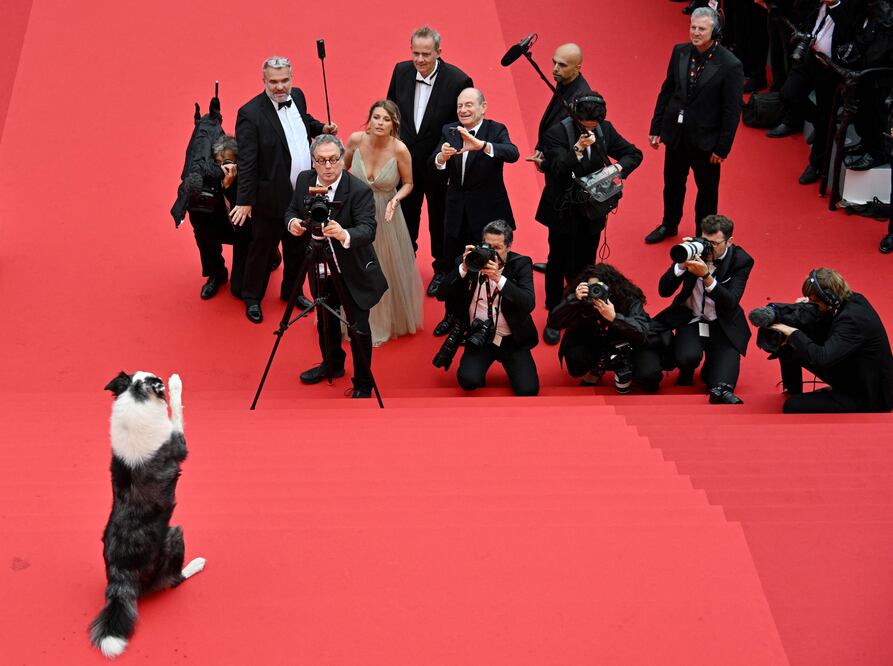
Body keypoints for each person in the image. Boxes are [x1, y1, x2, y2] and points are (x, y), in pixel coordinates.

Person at [231, 56, 337, 324]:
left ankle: (292, 291)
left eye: (284, 81)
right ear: (264, 81)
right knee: (263, 249)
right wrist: (245, 201)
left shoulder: (298, 96)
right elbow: (247, 161)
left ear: (292, 78)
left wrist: (320, 128)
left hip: (303, 194)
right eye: (273, 82)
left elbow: (303, 121)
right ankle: (252, 297)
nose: (280, 87)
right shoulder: (250, 114)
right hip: (269, 198)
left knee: (298, 248)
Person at [285, 135, 388, 399]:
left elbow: (368, 229)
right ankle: (332, 364)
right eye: (321, 160)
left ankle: (364, 381)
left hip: (351, 268)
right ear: (313, 162)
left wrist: (344, 234)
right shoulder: (305, 181)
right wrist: (293, 223)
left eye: (334, 159)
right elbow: (291, 211)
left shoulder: (358, 190)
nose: (328, 166)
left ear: (343, 159)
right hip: (318, 263)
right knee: (325, 320)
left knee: (358, 327)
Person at [536, 91, 643, 345]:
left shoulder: (605, 129)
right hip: (563, 208)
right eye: (585, 126)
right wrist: (577, 150)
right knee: (557, 260)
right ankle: (555, 310)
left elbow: (634, 154)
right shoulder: (556, 133)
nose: (590, 130)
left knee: (586, 261)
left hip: (592, 210)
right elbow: (557, 168)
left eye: (593, 126)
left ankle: (583, 303)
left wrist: (616, 168)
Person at [645, 8, 744, 244]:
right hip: (676, 135)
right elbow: (667, 90)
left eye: (702, 29)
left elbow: (732, 111)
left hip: (706, 142)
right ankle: (669, 224)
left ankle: (705, 237)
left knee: (707, 193)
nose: (696, 33)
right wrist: (656, 126)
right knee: (672, 185)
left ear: (715, 31)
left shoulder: (730, 65)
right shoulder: (679, 51)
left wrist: (722, 148)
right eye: (693, 27)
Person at [386, 26, 473, 296]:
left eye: (426, 54)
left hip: (439, 165)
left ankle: (442, 269)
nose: (420, 60)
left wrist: (439, 157)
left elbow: (462, 123)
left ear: (439, 52)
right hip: (405, 164)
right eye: (415, 53)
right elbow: (391, 110)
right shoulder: (401, 71)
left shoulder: (458, 80)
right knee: (405, 216)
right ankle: (404, 264)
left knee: (440, 221)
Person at [431, 88, 519, 334]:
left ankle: (487, 318)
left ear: (483, 107)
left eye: (469, 105)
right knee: (454, 268)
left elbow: (512, 153)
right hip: (456, 214)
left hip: (487, 216)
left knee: (489, 268)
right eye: (460, 106)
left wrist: (482, 146)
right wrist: (442, 157)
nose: (463, 110)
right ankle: (451, 317)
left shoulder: (495, 129)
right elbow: (433, 162)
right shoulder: (449, 130)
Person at [344, 100, 423, 346]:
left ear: (394, 124)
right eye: (376, 117)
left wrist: (396, 199)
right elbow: (342, 169)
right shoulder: (356, 140)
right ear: (370, 119)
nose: (380, 123)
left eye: (386, 119)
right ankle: (352, 316)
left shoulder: (400, 149)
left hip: (386, 214)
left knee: (383, 265)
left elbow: (409, 182)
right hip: (356, 212)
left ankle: (385, 321)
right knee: (354, 264)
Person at [655, 214, 754, 404]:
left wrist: (707, 277)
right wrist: (681, 265)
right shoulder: (694, 251)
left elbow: (731, 301)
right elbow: (664, 291)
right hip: (691, 318)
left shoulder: (741, 261)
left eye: (714, 243)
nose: (708, 248)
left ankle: (711, 365)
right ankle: (687, 369)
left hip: (722, 324)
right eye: (705, 241)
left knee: (720, 386)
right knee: (687, 357)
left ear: (729, 241)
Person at [765, 268, 893, 412]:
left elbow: (822, 358)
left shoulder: (853, 319)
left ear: (829, 298)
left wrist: (793, 332)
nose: (812, 305)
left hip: (868, 396)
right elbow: (827, 327)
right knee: (791, 344)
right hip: (852, 371)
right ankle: (792, 389)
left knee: (792, 406)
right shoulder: (852, 299)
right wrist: (805, 310)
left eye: (815, 302)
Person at [435, 220, 539, 396]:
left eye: (497, 248)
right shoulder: (471, 263)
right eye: (487, 246)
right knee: (468, 381)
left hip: (511, 338)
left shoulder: (520, 265)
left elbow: (528, 303)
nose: (492, 253)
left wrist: (499, 279)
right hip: (480, 337)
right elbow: (441, 294)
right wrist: (463, 268)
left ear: (508, 247)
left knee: (528, 390)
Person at [546, 264, 664, 393]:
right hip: (596, 342)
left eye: (601, 287)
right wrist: (573, 300)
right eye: (592, 288)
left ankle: (627, 367)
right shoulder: (582, 299)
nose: (596, 292)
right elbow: (554, 323)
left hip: (631, 345)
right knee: (577, 359)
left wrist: (614, 318)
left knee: (649, 376)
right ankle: (597, 368)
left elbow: (642, 332)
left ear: (612, 288)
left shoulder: (628, 298)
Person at [525, 43, 592, 171]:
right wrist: (542, 146)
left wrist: (546, 164)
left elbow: (571, 144)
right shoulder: (565, 80)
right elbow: (554, 115)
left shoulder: (581, 99)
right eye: (554, 62)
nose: (555, 69)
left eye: (562, 65)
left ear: (577, 68)